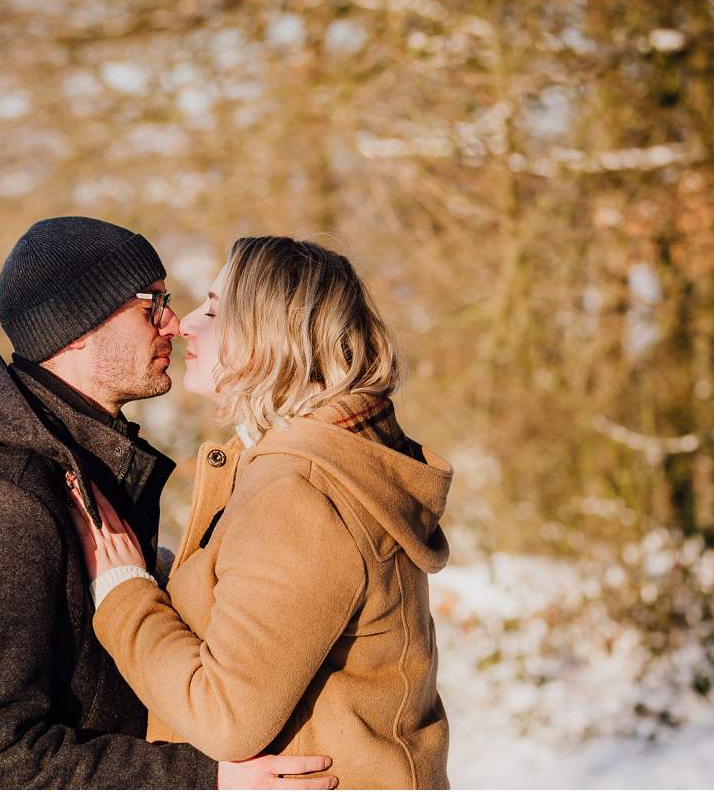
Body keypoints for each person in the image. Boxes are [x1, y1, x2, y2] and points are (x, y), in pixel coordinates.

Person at [0, 217, 337, 789]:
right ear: (76, 328)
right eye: (152, 305)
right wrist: (203, 781)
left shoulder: (78, 470)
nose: (174, 325)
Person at [68, 236, 455, 789]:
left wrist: (125, 593)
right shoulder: (328, 461)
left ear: (271, 334)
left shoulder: (299, 490)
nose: (183, 325)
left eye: (215, 309)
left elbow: (224, 718)